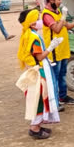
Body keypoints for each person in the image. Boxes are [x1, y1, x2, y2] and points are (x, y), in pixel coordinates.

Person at [17, 9, 63, 139]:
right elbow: (40, 56)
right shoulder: (33, 37)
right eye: (37, 19)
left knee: (38, 99)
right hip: (38, 73)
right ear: (32, 23)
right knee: (39, 100)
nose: (40, 21)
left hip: (35, 70)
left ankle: (37, 125)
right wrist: (50, 48)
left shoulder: (29, 34)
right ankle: (34, 128)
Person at [41, 0, 74, 110]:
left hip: (62, 49)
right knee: (54, 77)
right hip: (54, 52)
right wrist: (63, 17)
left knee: (62, 74)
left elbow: (65, 26)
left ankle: (62, 96)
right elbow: (57, 29)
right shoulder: (46, 15)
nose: (60, 2)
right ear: (51, 0)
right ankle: (53, 102)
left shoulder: (57, 12)